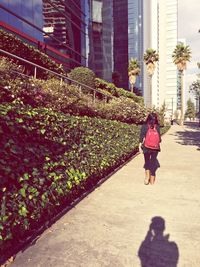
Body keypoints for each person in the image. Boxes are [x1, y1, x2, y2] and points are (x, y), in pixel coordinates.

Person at [139, 112, 161, 185]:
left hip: (146, 147)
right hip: (155, 148)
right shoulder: (157, 126)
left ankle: (146, 178)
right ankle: (152, 180)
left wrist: (139, 146)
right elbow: (159, 139)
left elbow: (141, 137)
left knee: (147, 162)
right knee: (153, 163)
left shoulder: (144, 126)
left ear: (148, 118)